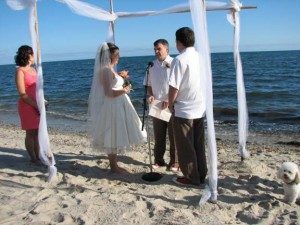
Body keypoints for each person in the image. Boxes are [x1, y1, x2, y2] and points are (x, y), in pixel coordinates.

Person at [88, 42, 146, 174]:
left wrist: (120, 76)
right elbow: (109, 93)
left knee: (116, 132)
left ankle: (114, 165)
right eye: (116, 54)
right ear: (110, 56)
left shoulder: (109, 69)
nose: (119, 56)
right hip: (113, 105)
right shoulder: (106, 70)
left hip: (119, 104)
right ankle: (114, 167)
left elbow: (112, 82)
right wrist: (124, 90)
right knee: (112, 134)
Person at [168, 27, 207, 186]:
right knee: (198, 145)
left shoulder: (179, 59)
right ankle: (201, 174)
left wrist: (170, 104)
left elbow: (173, 87)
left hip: (184, 109)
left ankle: (192, 177)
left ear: (178, 42)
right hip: (200, 106)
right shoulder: (201, 57)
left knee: (185, 146)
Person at [144, 39, 178, 171]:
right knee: (159, 136)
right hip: (157, 105)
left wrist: (170, 99)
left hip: (173, 105)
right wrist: (150, 95)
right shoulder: (152, 65)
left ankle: (175, 162)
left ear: (167, 49)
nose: (156, 51)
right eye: (155, 49)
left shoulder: (175, 63)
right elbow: (148, 84)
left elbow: (179, 84)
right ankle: (159, 160)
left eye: (159, 49)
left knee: (174, 135)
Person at [15, 45, 40, 163]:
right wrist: (35, 105)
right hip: (27, 106)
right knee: (30, 132)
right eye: (33, 54)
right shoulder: (20, 71)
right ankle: (33, 158)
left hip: (37, 104)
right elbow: (22, 94)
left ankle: (38, 156)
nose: (34, 56)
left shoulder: (34, 69)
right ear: (28, 56)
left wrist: (42, 101)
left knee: (37, 132)